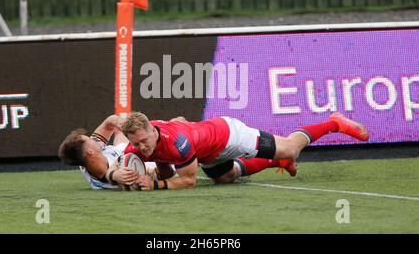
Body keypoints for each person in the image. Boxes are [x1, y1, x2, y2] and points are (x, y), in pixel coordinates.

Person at [120, 112, 368, 191]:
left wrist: (154, 185)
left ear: (152, 131)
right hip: (207, 150)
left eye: (144, 141)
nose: (141, 148)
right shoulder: (141, 141)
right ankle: (276, 164)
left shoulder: (178, 142)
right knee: (224, 178)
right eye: (137, 143)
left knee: (290, 150)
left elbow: (188, 180)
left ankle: (333, 123)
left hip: (229, 135)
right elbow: (162, 161)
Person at [58, 114, 296, 190]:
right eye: (87, 140)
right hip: (159, 164)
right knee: (225, 176)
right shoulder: (103, 172)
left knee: (180, 127)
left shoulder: (93, 153)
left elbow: (110, 122)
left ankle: (281, 154)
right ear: (88, 153)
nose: (92, 138)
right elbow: (107, 175)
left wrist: (126, 124)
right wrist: (113, 176)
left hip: (147, 152)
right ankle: (278, 161)